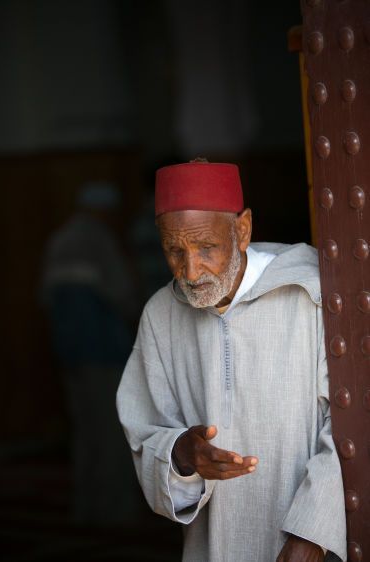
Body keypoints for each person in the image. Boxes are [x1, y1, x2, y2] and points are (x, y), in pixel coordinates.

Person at [117, 161, 346, 561]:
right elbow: (145, 431)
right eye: (174, 250)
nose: (190, 271)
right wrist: (182, 454)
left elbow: (349, 421)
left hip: (313, 539)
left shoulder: (312, 292)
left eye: (206, 247)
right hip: (215, 544)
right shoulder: (161, 314)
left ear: (242, 230)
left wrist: (313, 532)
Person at [41, 181, 138, 526]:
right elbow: (123, 294)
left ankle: (86, 508)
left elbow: (47, 300)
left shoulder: (59, 240)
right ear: (105, 209)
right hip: (104, 348)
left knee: (85, 430)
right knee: (112, 431)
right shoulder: (100, 240)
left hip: (70, 352)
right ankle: (116, 512)